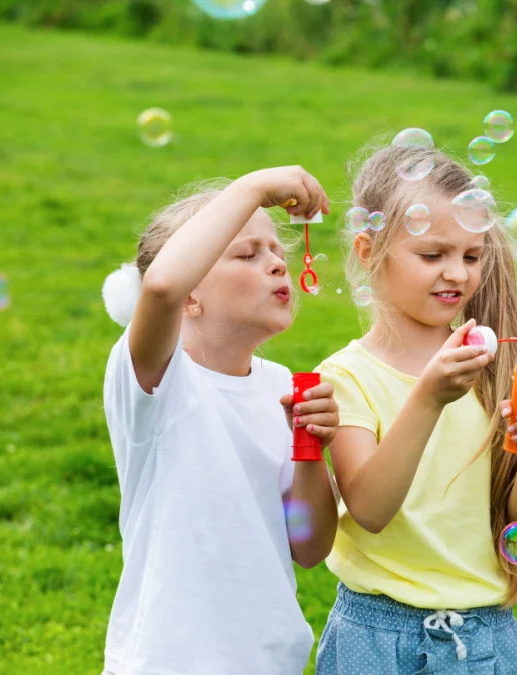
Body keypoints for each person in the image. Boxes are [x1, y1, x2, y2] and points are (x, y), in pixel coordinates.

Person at [314, 143, 517, 674]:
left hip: (487, 637)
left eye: (471, 256)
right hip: (379, 638)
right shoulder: (347, 377)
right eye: (433, 255)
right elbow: (370, 509)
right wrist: (428, 398)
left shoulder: (490, 363)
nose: (457, 273)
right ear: (367, 250)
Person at [100, 167, 340, 675]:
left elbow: (311, 546)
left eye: (276, 251)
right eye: (247, 254)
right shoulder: (156, 382)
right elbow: (160, 286)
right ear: (191, 296)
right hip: (168, 661)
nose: (276, 264)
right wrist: (254, 188)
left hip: (271, 659)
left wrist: (311, 447)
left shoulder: (279, 385)